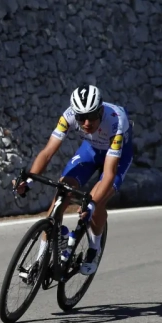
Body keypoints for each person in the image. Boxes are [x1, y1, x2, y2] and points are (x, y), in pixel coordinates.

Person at [15, 84, 133, 275]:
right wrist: (28, 181)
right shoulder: (69, 114)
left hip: (117, 157)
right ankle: (39, 262)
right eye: (81, 118)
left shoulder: (116, 122)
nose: (86, 123)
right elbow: (47, 153)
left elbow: (109, 173)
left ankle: (94, 249)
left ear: (100, 110)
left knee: (95, 203)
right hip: (91, 151)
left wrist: (92, 205)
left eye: (92, 116)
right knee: (62, 192)